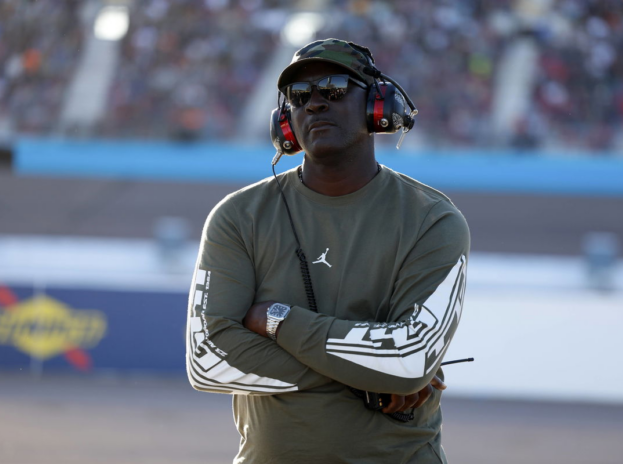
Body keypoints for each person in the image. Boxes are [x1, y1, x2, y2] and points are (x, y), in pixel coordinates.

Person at [186, 38, 470, 463]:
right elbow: (207, 360)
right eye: (299, 96)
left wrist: (276, 320)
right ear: (286, 121)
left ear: (376, 105)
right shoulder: (238, 216)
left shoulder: (432, 219)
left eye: (334, 88)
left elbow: (410, 359)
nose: (314, 103)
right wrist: (373, 373)